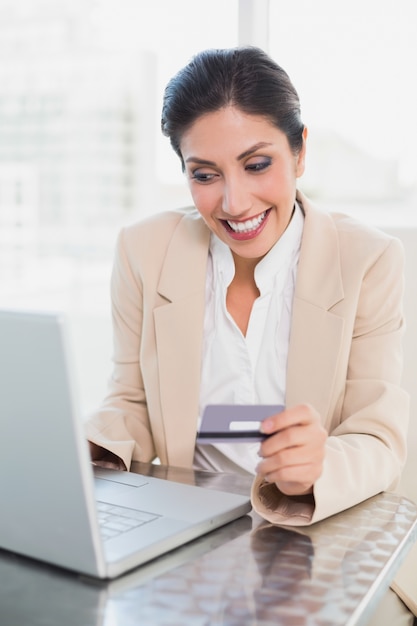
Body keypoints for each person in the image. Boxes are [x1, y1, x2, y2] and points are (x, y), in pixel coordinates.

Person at [86, 47, 414, 624]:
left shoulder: (368, 259)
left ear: (300, 150)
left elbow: (378, 436)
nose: (233, 203)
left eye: (257, 164)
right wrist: (85, 452)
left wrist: (321, 464)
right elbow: (131, 400)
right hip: (190, 537)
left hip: (326, 534)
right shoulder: (144, 251)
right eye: (204, 175)